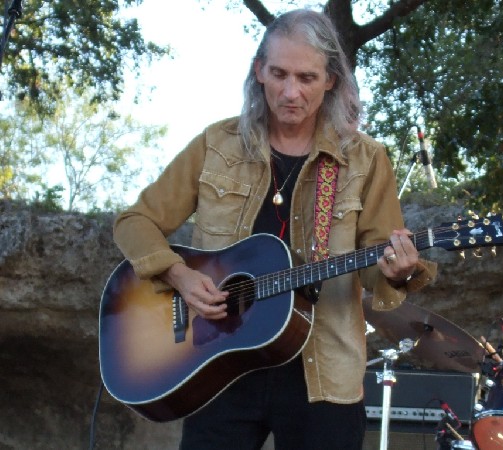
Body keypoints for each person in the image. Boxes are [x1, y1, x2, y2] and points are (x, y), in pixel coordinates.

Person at [113, 8, 436, 450]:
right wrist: (179, 275)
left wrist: (397, 272)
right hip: (218, 364)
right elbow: (135, 222)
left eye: (306, 78)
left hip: (322, 373)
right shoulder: (216, 144)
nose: (290, 92)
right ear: (258, 71)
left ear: (331, 81)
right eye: (279, 74)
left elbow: (377, 264)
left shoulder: (364, 159)